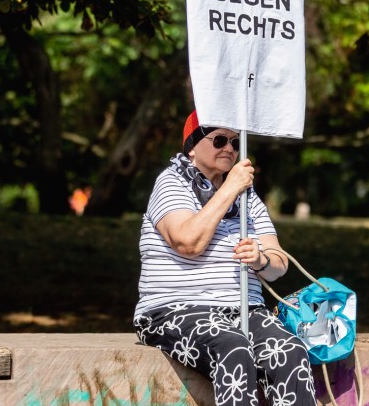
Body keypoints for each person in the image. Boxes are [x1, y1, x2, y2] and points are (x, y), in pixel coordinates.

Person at [134, 110, 316, 405]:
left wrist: (261, 261)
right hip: (173, 310)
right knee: (234, 348)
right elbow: (188, 242)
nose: (229, 148)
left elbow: (278, 263)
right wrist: (230, 187)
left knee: (290, 351)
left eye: (235, 142)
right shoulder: (171, 183)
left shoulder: (248, 197)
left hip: (244, 310)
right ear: (192, 146)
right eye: (219, 139)